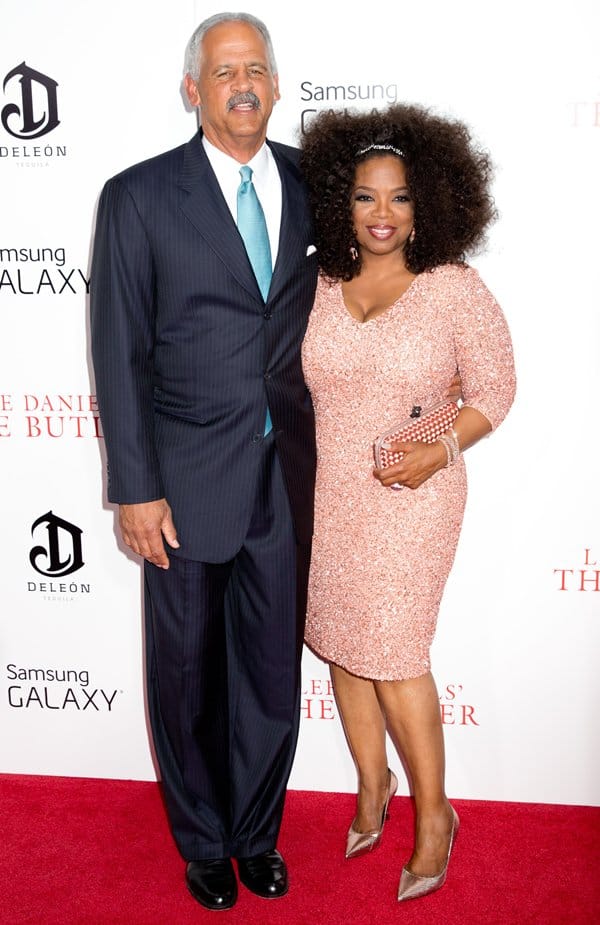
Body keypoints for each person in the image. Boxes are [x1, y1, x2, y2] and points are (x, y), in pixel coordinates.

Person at [90, 12, 318, 912]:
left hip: (286, 483)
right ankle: (203, 841)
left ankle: (257, 833)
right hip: (181, 481)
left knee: (268, 671)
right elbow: (119, 350)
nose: (242, 83)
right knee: (184, 673)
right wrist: (134, 488)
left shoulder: (311, 182)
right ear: (194, 90)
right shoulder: (138, 197)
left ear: (275, 81)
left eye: (256, 67)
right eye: (224, 70)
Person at [300, 104, 516, 902]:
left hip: (414, 501)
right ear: (340, 202)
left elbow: (496, 389)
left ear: (428, 201)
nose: (382, 214)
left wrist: (440, 446)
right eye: (365, 196)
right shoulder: (319, 281)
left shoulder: (453, 287)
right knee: (341, 646)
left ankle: (435, 816)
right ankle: (370, 784)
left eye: (399, 197)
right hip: (326, 495)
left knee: (393, 653)